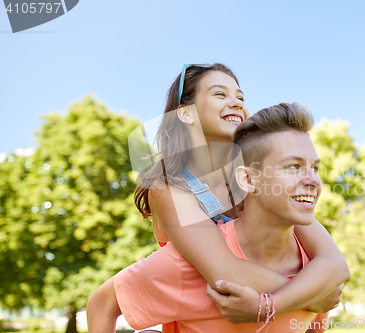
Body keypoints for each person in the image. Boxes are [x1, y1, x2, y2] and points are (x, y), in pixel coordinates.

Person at [87, 64, 350, 332]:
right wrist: (312, 294)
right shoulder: (169, 187)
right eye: (220, 95)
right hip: (198, 306)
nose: (236, 103)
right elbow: (225, 272)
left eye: (240, 97)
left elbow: (333, 261)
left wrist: (289, 299)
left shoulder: (256, 180)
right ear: (186, 113)